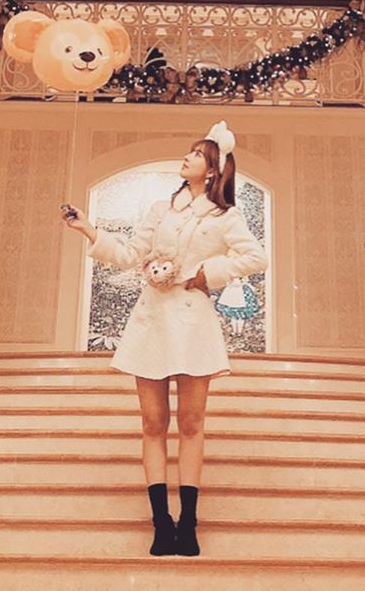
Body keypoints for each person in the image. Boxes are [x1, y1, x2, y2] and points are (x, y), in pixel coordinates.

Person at [61, 120, 267, 557]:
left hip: (194, 325)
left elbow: (255, 256)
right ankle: (161, 523)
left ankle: (188, 523)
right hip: (152, 321)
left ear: (212, 171)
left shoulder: (226, 216)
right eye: (189, 152)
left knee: (191, 424)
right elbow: (129, 255)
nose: (187, 158)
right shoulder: (161, 210)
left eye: (197, 155)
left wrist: (206, 275)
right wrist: (89, 230)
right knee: (153, 423)